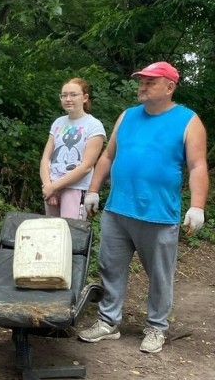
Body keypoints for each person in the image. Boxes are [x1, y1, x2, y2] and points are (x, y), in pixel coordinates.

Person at [78, 61, 209, 354]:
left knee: (160, 275)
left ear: (170, 86)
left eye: (151, 81)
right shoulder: (127, 116)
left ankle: (156, 327)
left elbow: (198, 165)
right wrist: (94, 191)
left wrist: (197, 206)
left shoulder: (188, 120)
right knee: (110, 267)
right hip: (117, 211)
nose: (143, 85)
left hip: (159, 215)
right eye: (141, 80)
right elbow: (108, 157)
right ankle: (108, 321)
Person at [40, 78, 106, 219]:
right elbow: (46, 157)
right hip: (51, 188)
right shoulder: (58, 123)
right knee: (51, 234)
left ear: (85, 97)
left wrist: (55, 187)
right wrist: (48, 186)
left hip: (75, 188)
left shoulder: (94, 125)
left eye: (73, 95)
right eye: (64, 95)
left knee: (70, 234)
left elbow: (86, 166)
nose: (68, 99)